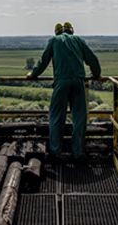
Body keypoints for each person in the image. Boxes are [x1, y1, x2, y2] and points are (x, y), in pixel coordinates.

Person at [26, 21, 101, 160]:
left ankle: (56, 151)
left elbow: (43, 61)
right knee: (79, 117)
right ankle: (77, 152)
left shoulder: (54, 41)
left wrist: (33, 74)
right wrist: (96, 74)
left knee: (56, 116)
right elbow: (92, 59)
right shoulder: (78, 40)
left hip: (61, 82)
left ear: (57, 32)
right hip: (78, 82)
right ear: (72, 31)